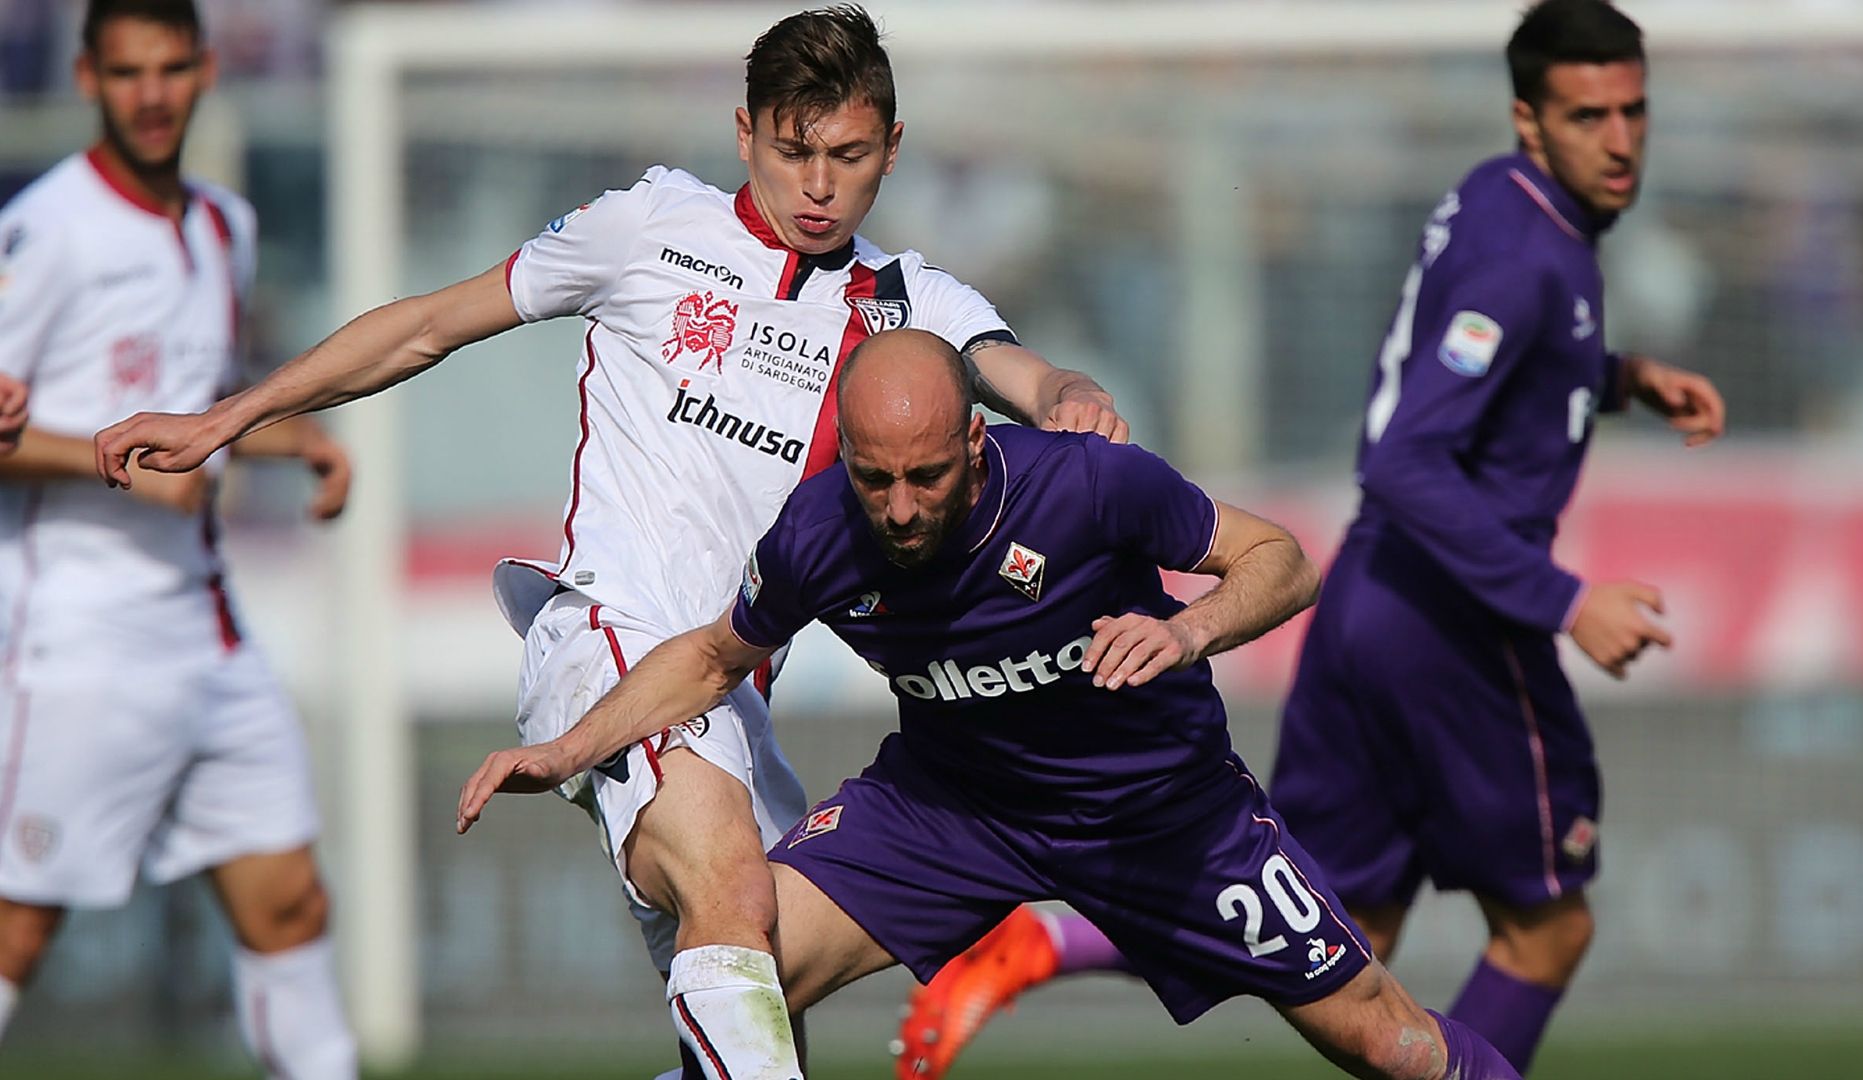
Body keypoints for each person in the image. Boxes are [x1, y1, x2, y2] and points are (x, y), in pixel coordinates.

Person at [96, 7, 1125, 1076]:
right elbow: (428, 325)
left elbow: (1023, 375)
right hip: (608, 635)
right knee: (730, 898)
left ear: (891, 149)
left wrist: (1072, 395)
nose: (818, 185)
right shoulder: (653, 227)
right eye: (793, 151)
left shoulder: (906, 299)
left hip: (726, 687)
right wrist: (230, 417)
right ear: (745, 134)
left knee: (755, 991)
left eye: (849, 155)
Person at [885, 3, 1728, 1076]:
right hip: (1459, 624)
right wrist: (1568, 602)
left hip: (1367, 609)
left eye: (1633, 110)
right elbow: (1407, 461)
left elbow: (1483, 362)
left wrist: (1622, 378)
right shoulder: (1528, 255)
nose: (1619, 139)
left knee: (1324, 925)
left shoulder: (1496, 206)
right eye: (1587, 113)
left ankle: (1048, 934)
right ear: (1530, 118)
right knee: (1548, 929)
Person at [454, 328, 1522, 1080]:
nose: (902, 510)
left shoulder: (1087, 486)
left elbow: (1283, 561)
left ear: (974, 442)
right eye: (876, 480)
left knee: (1393, 1047)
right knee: (740, 980)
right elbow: (710, 660)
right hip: (951, 810)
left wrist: (1186, 629)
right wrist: (570, 745)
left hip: (1165, 813)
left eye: (924, 476)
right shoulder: (818, 531)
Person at [0, 2, 357, 1075]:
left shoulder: (223, 226)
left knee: (290, 901)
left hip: (208, 632)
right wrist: (114, 466)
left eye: (170, 69)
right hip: (79, 632)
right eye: (126, 72)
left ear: (206, 69)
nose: (151, 95)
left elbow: (197, 406)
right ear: (87, 77)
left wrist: (296, 442)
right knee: (20, 929)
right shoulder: (47, 229)